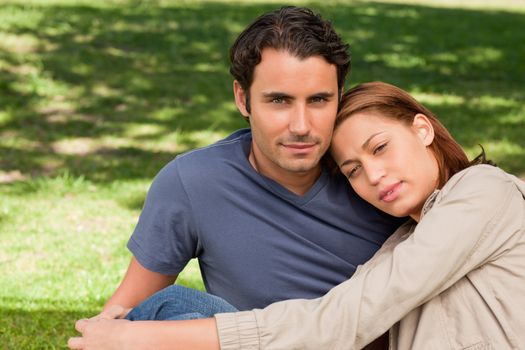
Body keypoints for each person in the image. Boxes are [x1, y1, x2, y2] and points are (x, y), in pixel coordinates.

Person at [70, 82, 525, 349]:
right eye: (353, 170)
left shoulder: (483, 191)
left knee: (161, 321)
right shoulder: (403, 240)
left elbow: (346, 316)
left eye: (380, 147)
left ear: (422, 128)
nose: (375, 176)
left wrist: (141, 339)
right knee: (173, 307)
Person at [69, 6, 403, 345]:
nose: (301, 126)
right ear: (243, 99)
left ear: (340, 98)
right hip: (246, 341)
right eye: (279, 101)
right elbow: (124, 312)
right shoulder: (193, 182)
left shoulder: (379, 176)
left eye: (318, 100)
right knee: (175, 307)